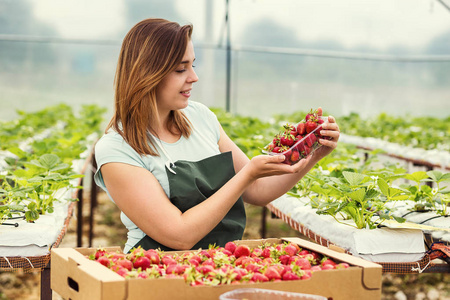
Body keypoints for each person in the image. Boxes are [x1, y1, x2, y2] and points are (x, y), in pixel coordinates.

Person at [94, 18, 340, 254]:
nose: (193, 77)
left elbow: (258, 190)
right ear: (147, 74)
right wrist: (245, 176)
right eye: (181, 69)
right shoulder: (117, 148)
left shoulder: (200, 118)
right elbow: (178, 235)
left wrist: (311, 152)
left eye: (193, 65)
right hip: (155, 270)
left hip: (218, 265)